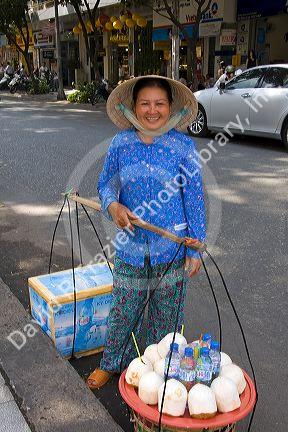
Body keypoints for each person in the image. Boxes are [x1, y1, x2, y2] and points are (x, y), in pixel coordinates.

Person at [86, 76, 206, 388]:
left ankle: (158, 374)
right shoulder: (121, 143)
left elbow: (193, 199)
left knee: (167, 314)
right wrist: (113, 205)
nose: (152, 111)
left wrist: (195, 249)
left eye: (159, 104)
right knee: (125, 307)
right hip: (131, 246)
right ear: (134, 107)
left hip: (171, 248)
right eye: (145, 103)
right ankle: (112, 363)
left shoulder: (183, 147)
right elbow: (106, 183)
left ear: (171, 107)